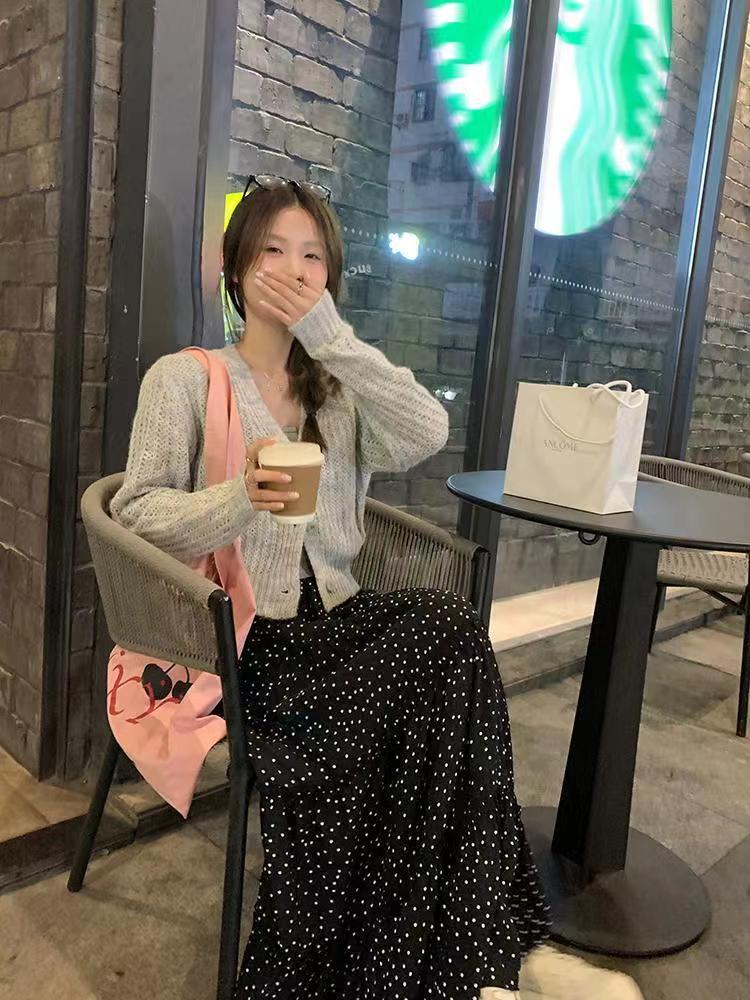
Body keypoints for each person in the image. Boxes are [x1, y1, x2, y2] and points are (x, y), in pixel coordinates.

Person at [111, 175, 644, 1000]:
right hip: (243, 640)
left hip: (340, 620)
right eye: (273, 250)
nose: (292, 270)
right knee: (421, 693)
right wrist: (240, 498)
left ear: (330, 277)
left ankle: (501, 955)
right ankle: (483, 963)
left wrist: (330, 338)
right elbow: (138, 513)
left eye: (312, 257)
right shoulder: (185, 379)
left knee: (450, 636)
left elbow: (428, 430)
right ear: (237, 266)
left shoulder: (337, 391)